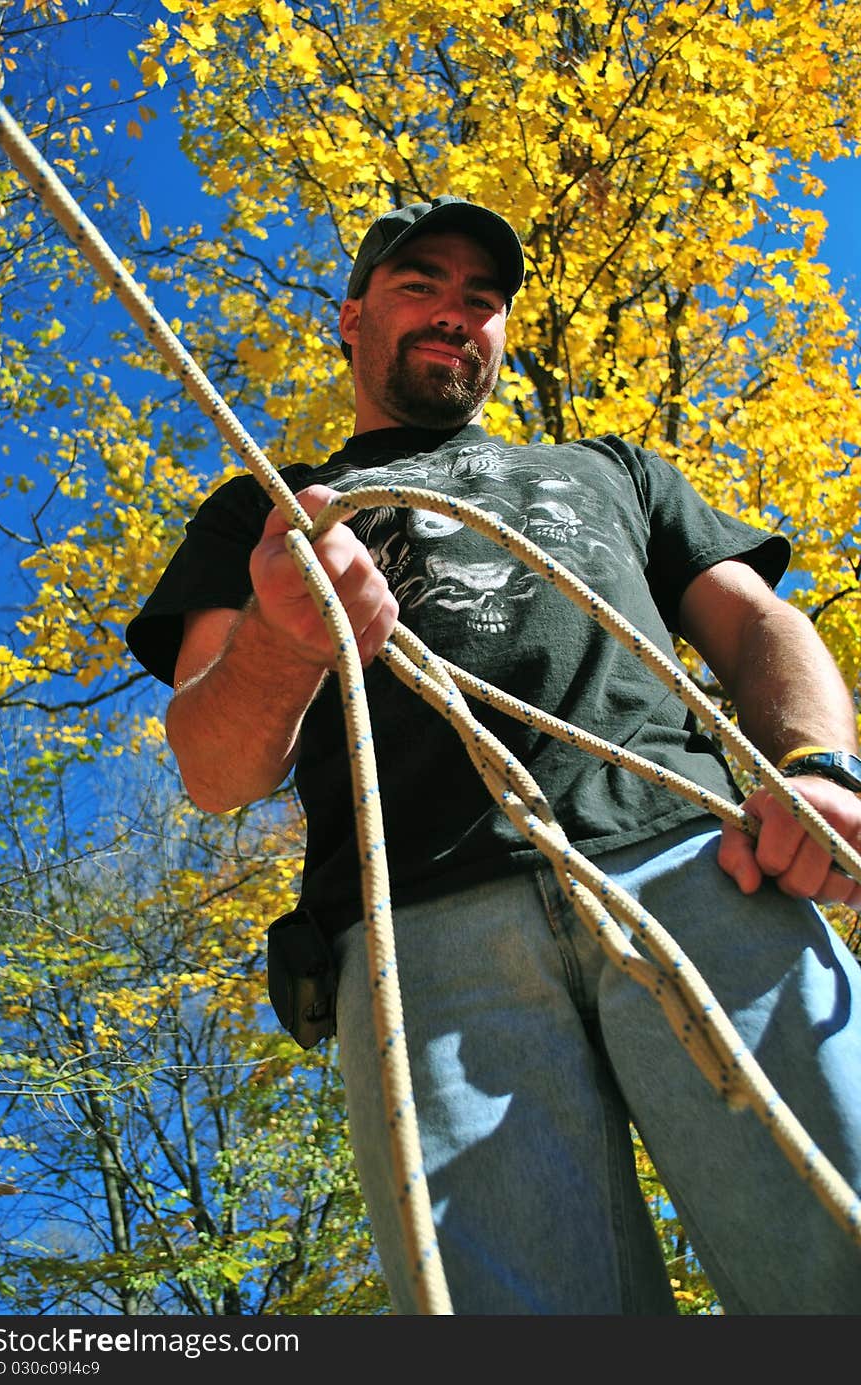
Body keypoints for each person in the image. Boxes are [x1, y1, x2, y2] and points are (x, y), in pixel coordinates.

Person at [126, 195, 861, 1316]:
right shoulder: (269, 514)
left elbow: (760, 625)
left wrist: (816, 765)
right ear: (350, 315)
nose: (454, 313)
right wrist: (283, 638)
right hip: (418, 932)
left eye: (482, 297)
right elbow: (214, 767)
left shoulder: (612, 469)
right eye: (419, 283)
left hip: (699, 869)